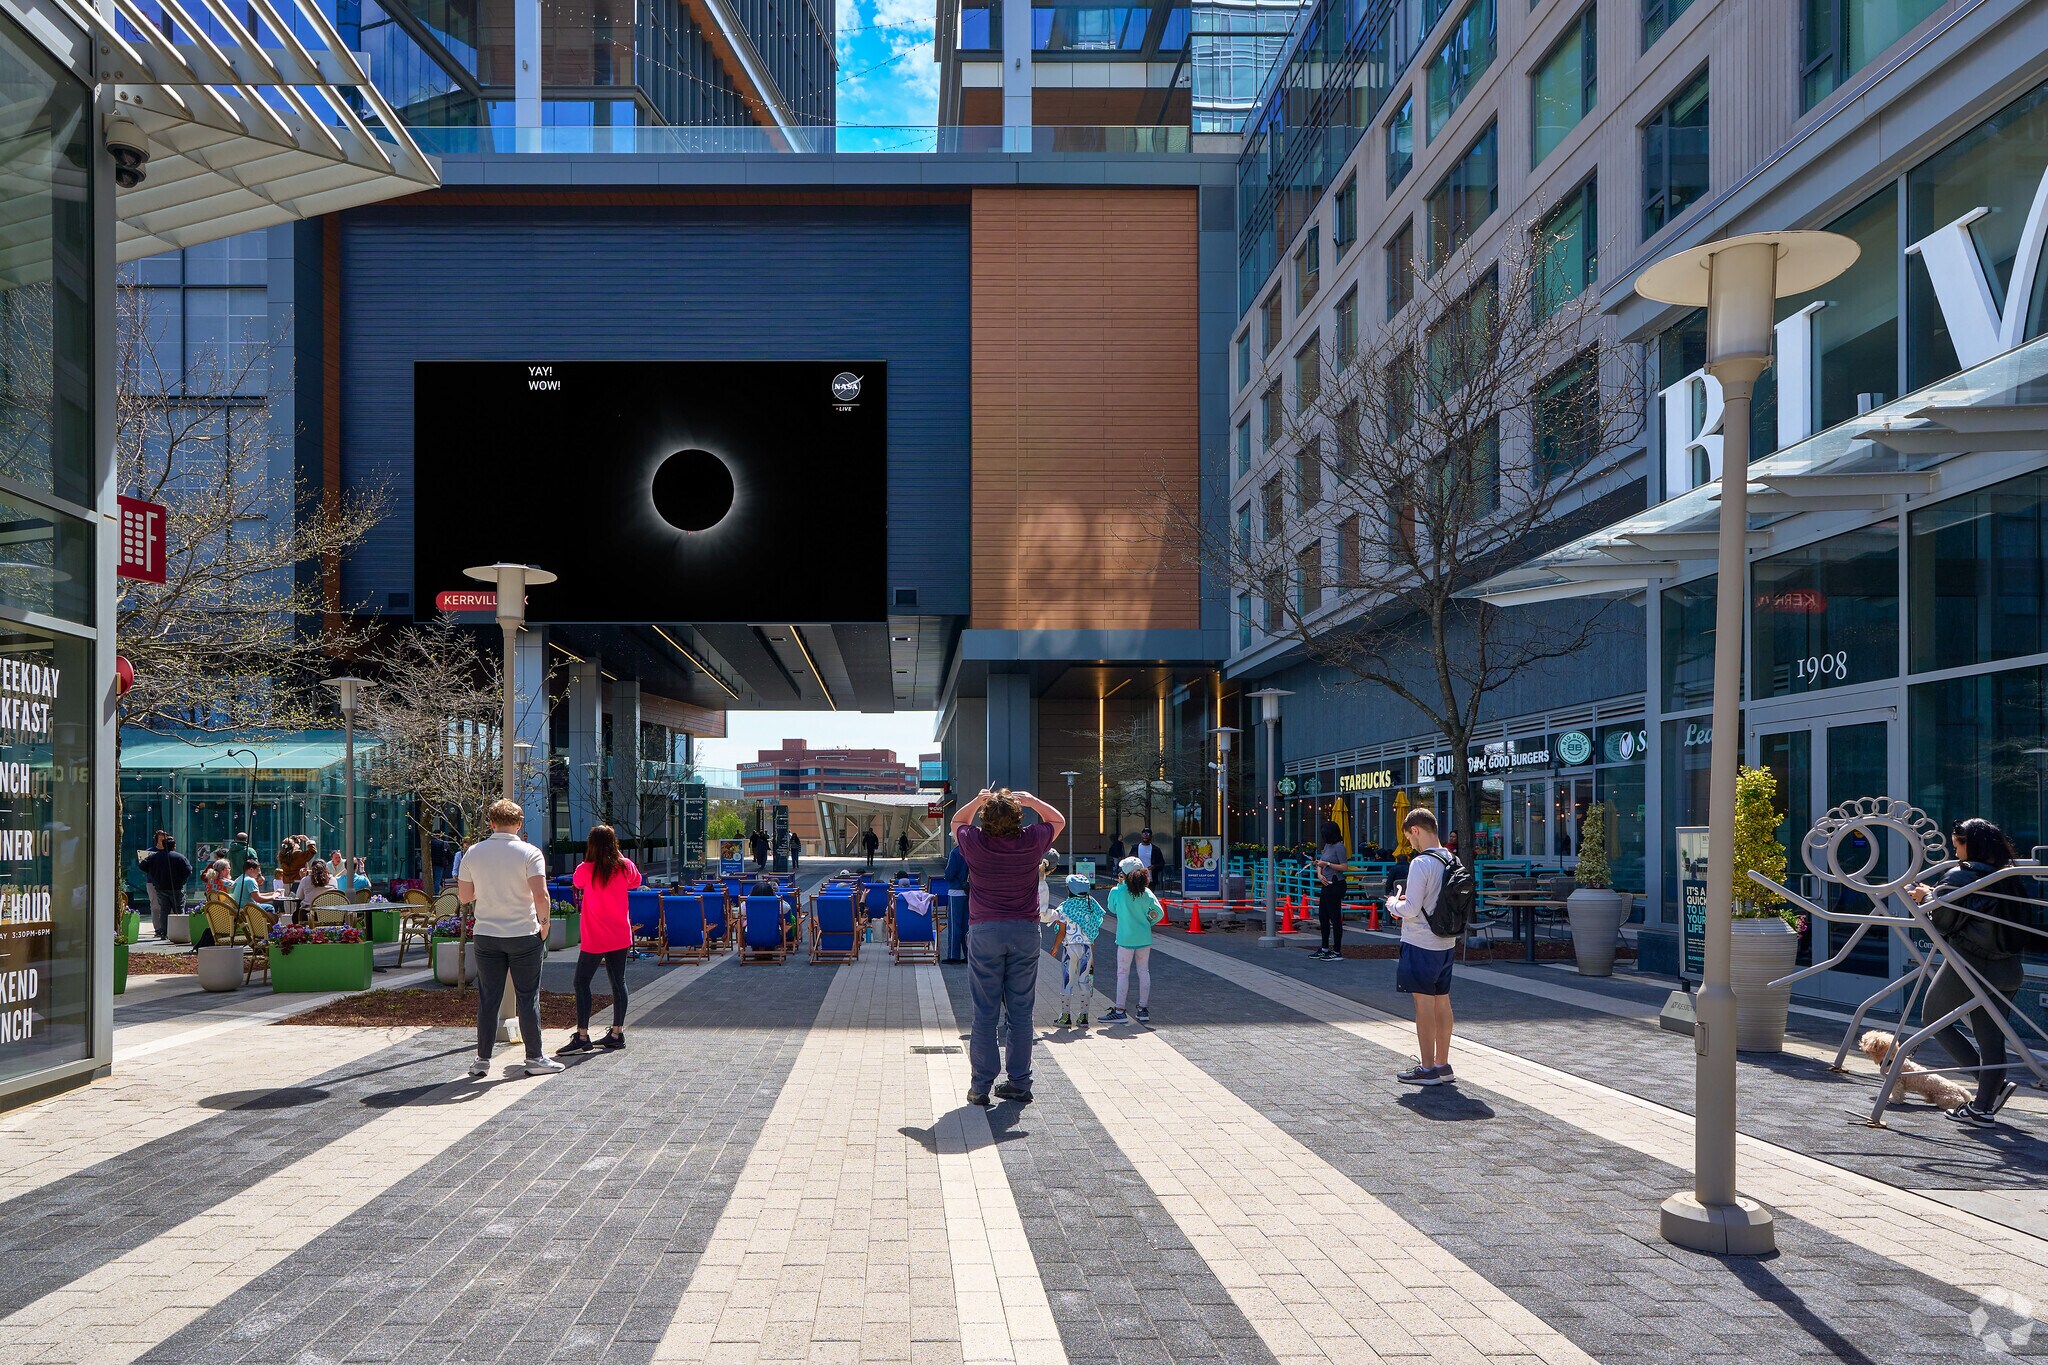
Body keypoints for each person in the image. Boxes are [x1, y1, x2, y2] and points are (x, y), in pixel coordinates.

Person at [1906, 817, 2031, 1127]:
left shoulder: (1961, 875)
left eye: (1958, 843)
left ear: (1972, 844)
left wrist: (1926, 897)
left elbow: (1945, 919)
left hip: (1971, 964)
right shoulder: (2008, 876)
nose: (1954, 848)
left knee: (1933, 1019)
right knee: (1991, 1037)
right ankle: (1983, 1105)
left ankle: (1991, 1090)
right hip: (2009, 969)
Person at [951, 788, 1065, 1106]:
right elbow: (1057, 819)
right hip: (1025, 931)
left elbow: (957, 820)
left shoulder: (974, 841)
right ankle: (1019, 1082)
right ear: (1018, 817)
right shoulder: (1032, 840)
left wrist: (978, 800)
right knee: (1021, 1012)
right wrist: (1031, 800)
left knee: (985, 1013)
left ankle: (981, 1086)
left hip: (985, 930)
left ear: (986, 818)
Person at [459, 798, 563, 1079]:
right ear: (519, 824)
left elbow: (465, 897)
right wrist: (545, 924)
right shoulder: (530, 853)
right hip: (523, 934)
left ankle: (482, 1060)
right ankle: (535, 1058)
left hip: (487, 935)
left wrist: (487, 891)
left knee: (488, 998)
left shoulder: (473, 853)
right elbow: (540, 896)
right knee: (528, 997)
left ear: (491, 823)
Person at [1385, 807, 1457, 1086]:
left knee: (1423, 1004)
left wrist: (1393, 904)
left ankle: (1427, 1069)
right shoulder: (1452, 858)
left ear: (1416, 830)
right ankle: (1443, 1064)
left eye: (1409, 838)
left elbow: (1412, 908)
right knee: (1443, 1001)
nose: (1410, 845)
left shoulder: (1421, 863)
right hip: (1446, 941)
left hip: (1420, 942)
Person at [559, 824, 640, 1057]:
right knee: (618, 982)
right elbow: (636, 880)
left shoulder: (585, 869)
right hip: (619, 934)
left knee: (581, 982)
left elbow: (577, 883)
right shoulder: (624, 866)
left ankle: (583, 1036)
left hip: (595, 935)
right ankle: (616, 1033)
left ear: (591, 845)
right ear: (614, 844)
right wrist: (617, 855)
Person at [1098, 858, 1165, 1025]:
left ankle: (1120, 1010)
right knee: (1144, 972)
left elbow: (1111, 909)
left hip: (1125, 938)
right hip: (1143, 938)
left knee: (1123, 973)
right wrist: (1148, 922)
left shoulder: (1118, 891)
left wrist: (1120, 885)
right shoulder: (1147, 893)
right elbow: (1159, 912)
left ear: (1125, 874)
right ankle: (1143, 1010)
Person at [1050, 872, 1104, 1029]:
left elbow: (1062, 931)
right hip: (1087, 948)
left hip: (1070, 948)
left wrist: (1055, 947)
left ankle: (1065, 1017)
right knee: (1084, 981)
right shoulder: (1091, 905)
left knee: (1068, 980)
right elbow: (1093, 931)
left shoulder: (1065, 907)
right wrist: (1092, 954)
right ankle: (1084, 1017)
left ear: (1068, 889)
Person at [138, 834, 192, 941]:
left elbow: (142, 865)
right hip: (176, 887)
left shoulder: (154, 856)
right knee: (179, 909)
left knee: (164, 910)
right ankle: (179, 931)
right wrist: (182, 880)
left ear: (163, 845)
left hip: (160, 887)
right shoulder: (180, 857)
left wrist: (153, 874)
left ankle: (164, 932)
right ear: (174, 846)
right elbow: (188, 871)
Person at [1312, 821, 1349, 962]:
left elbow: (1344, 867)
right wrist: (1319, 873)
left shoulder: (1339, 847)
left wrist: (1327, 864)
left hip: (1336, 883)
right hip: (1326, 882)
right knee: (1323, 916)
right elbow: (1321, 861)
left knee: (1335, 917)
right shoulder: (1327, 845)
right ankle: (1324, 947)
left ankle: (1337, 950)